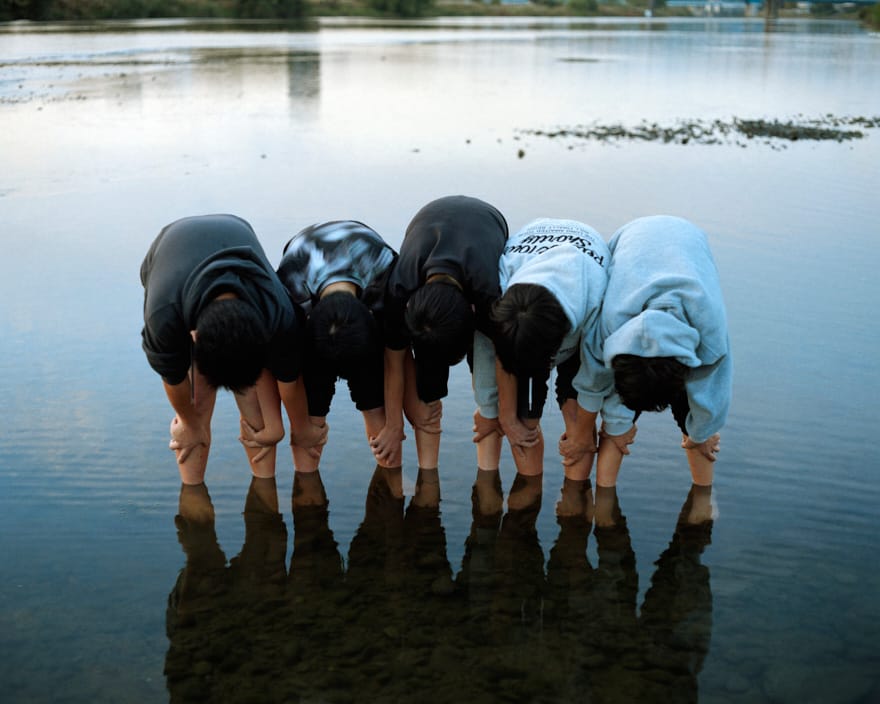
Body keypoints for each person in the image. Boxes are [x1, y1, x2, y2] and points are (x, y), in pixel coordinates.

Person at [140, 213, 315, 485]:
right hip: (171, 249)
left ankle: (264, 487)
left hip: (235, 229)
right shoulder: (164, 315)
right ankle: (193, 491)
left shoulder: (278, 311)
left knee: (255, 402)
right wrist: (190, 424)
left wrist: (298, 429)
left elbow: (289, 381)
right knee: (196, 405)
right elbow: (172, 379)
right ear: (193, 337)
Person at [472, 218, 611, 510]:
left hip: (579, 299)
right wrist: (502, 415)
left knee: (578, 420)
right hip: (532, 285)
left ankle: (575, 494)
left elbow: (595, 377)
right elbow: (493, 349)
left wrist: (584, 431)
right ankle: (532, 485)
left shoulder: (598, 304)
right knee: (522, 419)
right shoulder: (501, 290)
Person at [373, 195, 509, 486]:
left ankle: (486, 478)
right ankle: (428, 479)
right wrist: (394, 424)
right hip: (429, 221)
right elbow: (394, 362)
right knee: (427, 382)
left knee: (488, 375)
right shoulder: (399, 290)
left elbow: (504, 356)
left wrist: (497, 414)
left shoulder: (490, 294)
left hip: (487, 219)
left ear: (473, 312)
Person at [587, 215, 732, 488]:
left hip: (689, 240)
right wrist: (617, 427)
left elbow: (715, 386)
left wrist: (702, 431)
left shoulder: (709, 326)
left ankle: (703, 499)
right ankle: (603, 500)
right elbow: (600, 378)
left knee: (700, 433)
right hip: (630, 235)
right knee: (615, 425)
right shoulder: (611, 322)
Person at [273, 219, 403, 475]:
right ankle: (307, 482)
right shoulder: (290, 287)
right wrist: (302, 427)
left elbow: (393, 359)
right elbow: (288, 373)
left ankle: (390, 475)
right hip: (312, 297)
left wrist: (395, 426)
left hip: (364, 280)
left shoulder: (386, 272)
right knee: (311, 408)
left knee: (375, 401)